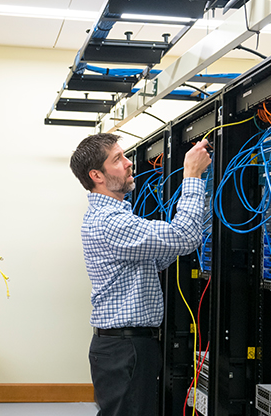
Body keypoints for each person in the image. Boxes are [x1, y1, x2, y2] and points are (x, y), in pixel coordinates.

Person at [69, 133, 211, 416]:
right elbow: (183, 237)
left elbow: (157, 259)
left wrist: (195, 218)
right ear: (96, 175)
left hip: (126, 347)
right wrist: (192, 176)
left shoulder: (115, 217)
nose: (129, 162)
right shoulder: (111, 222)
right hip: (125, 349)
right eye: (118, 159)